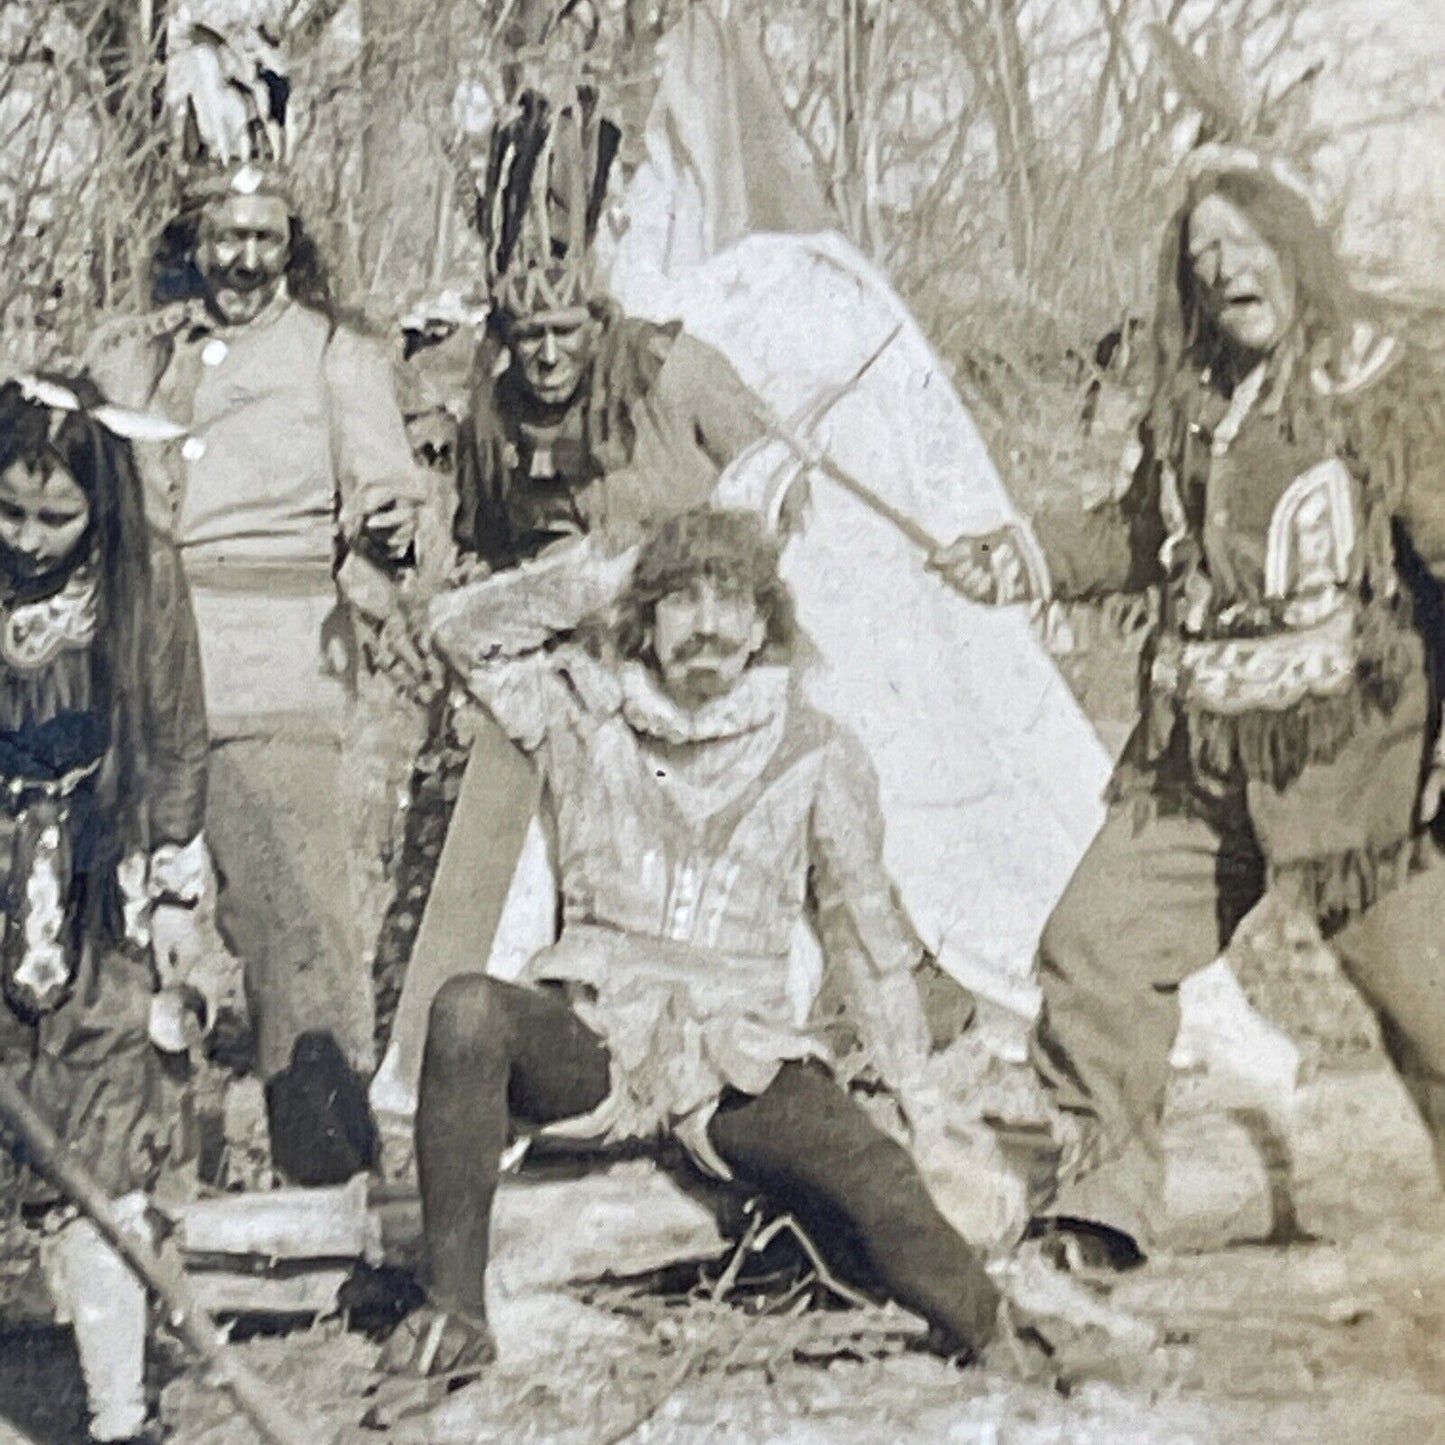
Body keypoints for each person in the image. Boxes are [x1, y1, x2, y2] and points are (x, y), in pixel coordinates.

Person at [373, 83, 972, 1119]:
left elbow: (776, 480)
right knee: (501, 820)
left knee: (819, 793)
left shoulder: (674, 366)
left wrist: (706, 548)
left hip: (704, 644)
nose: (547, 354)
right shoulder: (490, 399)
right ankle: (460, 1074)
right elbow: (473, 546)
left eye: (563, 329)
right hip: (575, 676)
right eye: (525, 335)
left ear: (595, 313)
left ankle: (881, 1022)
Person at [932, 141, 1445, 1260]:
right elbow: (1139, 535)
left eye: (1245, 244)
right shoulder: (1193, 404)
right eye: (1201, 256)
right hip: (1198, 759)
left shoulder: (1378, 382)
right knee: (1094, 941)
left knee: (1429, 1017)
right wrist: (1019, 557)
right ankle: (1101, 1209)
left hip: (1354, 765)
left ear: (1294, 247)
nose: (1224, 271)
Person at [376, 509, 1007, 1377]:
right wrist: (597, 575)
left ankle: (1002, 1337)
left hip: (736, 1053)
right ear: (643, 616)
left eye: (731, 601)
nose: (706, 624)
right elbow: (457, 634)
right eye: (679, 600)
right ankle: (455, 1318)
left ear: (763, 624)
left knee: (869, 1170)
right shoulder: (581, 710)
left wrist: (920, 1099)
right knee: (467, 1010)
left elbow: (864, 941)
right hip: (592, 1038)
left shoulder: (818, 750)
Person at [86, 24, 435, 1173]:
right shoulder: (137, 355)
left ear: (292, 244)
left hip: (279, 675)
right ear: (190, 239)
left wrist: (386, 520)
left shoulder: (337, 355)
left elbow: (387, 481)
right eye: (223, 236)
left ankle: (326, 1164)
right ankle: (147, 1166)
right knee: (145, 930)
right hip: (143, 678)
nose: (242, 258)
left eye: (264, 238)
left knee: (298, 928)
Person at [0, 373, 212, 1443]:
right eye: (10, 511)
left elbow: (175, 735)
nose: (30, 537)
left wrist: (175, 889)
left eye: (56, 517)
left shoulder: (145, 576)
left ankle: (119, 1413)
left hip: (99, 889)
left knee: (106, 1137)